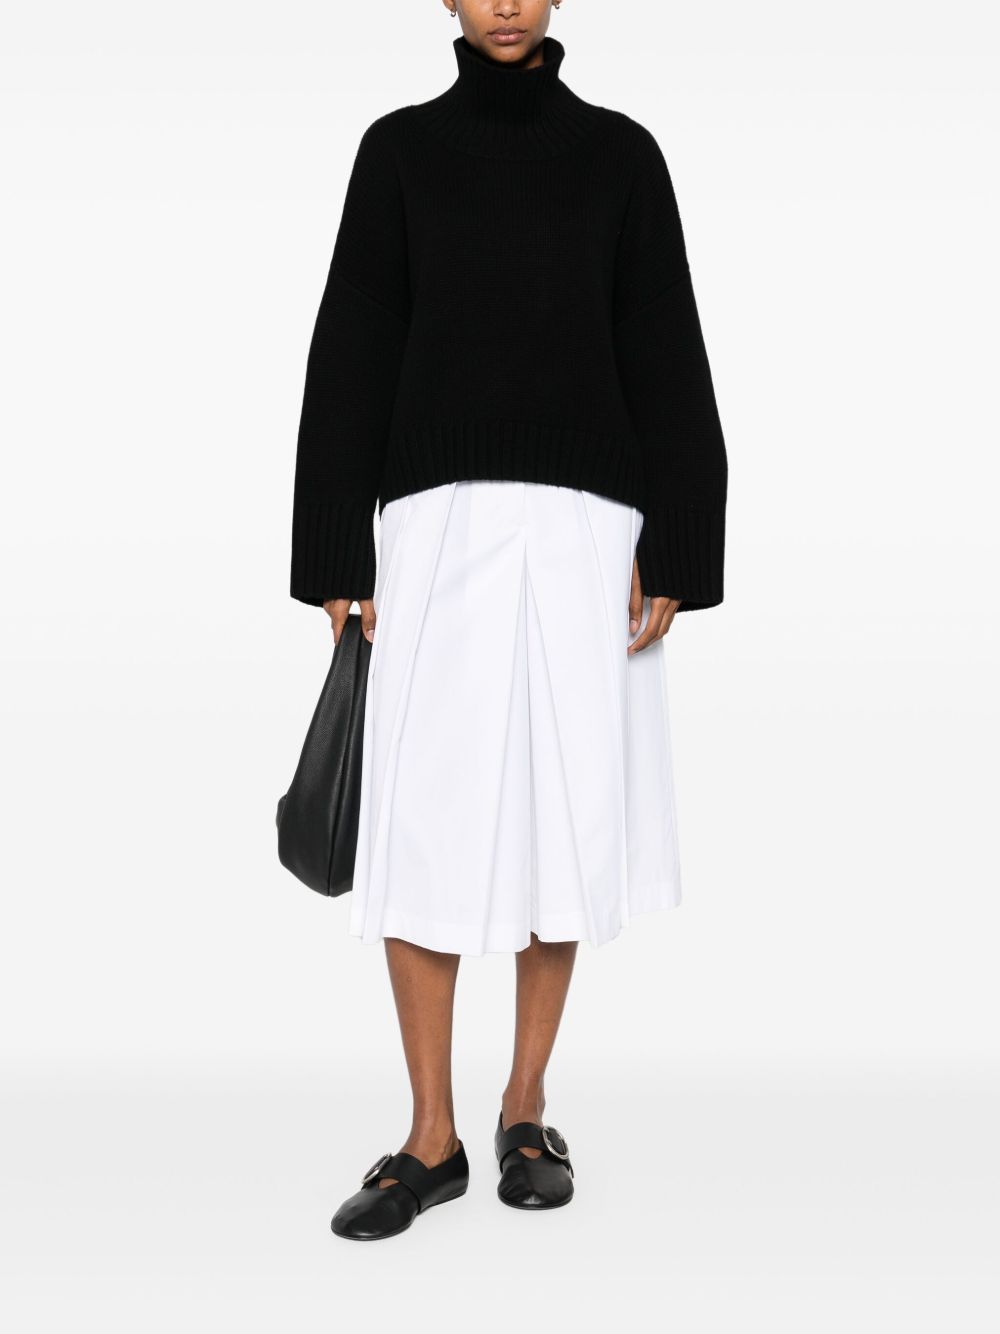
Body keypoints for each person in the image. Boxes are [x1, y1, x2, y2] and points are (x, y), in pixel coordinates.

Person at [289, 0, 728, 1241]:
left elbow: (664, 345)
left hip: (589, 532)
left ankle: (524, 1106)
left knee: (561, 821)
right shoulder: (398, 151)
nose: (504, 2)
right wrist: (333, 544)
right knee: (417, 830)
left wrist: (678, 542)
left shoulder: (622, 156)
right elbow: (352, 345)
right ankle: (427, 1137)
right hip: (432, 528)